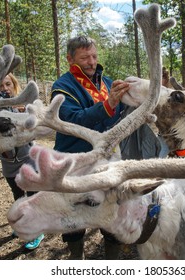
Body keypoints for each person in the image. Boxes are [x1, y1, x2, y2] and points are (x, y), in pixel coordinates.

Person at [51, 36, 130, 259]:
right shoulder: (62, 86)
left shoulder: (106, 82)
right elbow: (70, 120)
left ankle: (111, 262)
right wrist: (109, 104)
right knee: (74, 212)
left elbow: (121, 110)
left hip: (108, 160)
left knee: (111, 208)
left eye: (94, 56)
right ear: (70, 59)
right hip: (76, 160)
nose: (92, 62)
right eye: (85, 57)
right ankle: (77, 259)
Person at [0, 72, 44, 250]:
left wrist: (25, 115)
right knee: (18, 197)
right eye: (0, 86)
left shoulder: (26, 106)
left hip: (28, 160)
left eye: (8, 84)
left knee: (32, 197)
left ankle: (36, 231)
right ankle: (23, 225)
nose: (4, 89)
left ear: (15, 86)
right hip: (8, 164)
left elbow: (38, 127)